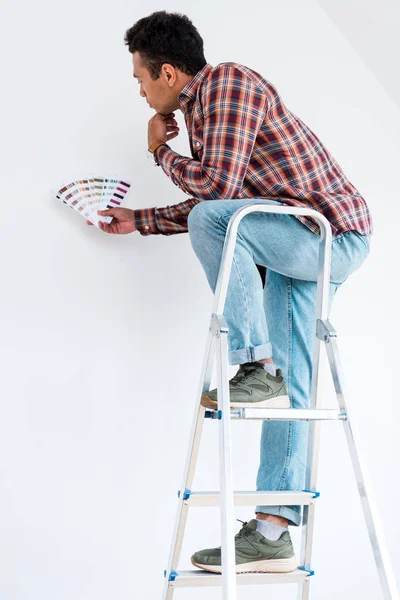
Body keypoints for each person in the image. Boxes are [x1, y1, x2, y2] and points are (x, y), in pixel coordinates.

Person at [87, 10, 373, 574]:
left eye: (141, 79)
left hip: (330, 236)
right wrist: (137, 221)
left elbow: (216, 197)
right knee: (292, 387)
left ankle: (252, 364)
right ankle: (273, 533)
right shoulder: (205, 109)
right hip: (293, 240)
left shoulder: (229, 84)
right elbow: (221, 205)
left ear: (168, 72)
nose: (141, 92)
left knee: (216, 221)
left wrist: (158, 152)